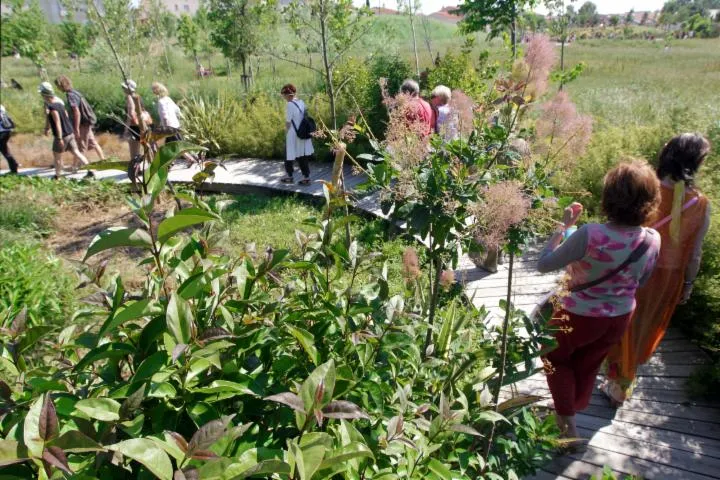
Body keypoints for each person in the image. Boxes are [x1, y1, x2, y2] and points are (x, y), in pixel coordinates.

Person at [537, 160, 662, 447]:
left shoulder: (590, 234)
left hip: (577, 315)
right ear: (650, 201)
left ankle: (567, 423)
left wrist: (562, 227)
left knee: (555, 358)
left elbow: (544, 264)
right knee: (589, 362)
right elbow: (639, 282)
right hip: (619, 317)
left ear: (609, 198)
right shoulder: (652, 240)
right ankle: (573, 405)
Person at [602, 134, 712, 406]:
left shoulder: (647, 187)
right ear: (695, 164)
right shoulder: (700, 204)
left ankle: (618, 381)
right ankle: (622, 382)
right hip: (667, 277)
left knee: (623, 322)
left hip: (635, 263)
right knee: (644, 326)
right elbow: (695, 253)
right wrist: (688, 284)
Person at [39, 82, 92, 180]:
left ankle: (57, 176)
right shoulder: (59, 103)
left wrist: (59, 138)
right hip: (70, 132)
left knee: (57, 157)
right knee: (76, 152)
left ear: (44, 95)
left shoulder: (52, 108)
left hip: (62, 135)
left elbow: (58, 123)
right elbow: (66, 115)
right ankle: (90, 170)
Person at [54, 75, 105, 161]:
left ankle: (78, 166)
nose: (57, 88)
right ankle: (103, 160)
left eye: (57, 86)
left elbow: (77, 112)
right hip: (87, 122)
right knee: (92, 142)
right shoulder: (75, 92)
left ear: (61, 85)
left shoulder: (71, 95)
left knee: (81, 145)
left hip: (82, 123)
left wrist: (76, 128)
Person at [280, 84, 313, 185]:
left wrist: (285, 132)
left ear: (288, 95)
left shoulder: (290, 105)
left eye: (283, 95)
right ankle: (306, 177)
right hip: (302, 132)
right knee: (302, 155)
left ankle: (289, 176)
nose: (283, 97)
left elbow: (288, 122)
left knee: (288, 154)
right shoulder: (301, 102)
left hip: (293, 134)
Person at [122, 79, 150, 161]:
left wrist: (126, 129)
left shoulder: (129, 97)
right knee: (145, 146)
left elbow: (130, 114)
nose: (123, 89)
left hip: (134, 126)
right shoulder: (137, 97)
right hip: (142, 124)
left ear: (128, 89)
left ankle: (135, 170)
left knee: (134, 151)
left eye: (124, 87)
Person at [0, 105, 19, 174]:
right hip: (7, 130)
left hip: (2, 131)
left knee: (4, 150)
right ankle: (14, 165)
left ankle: (14, 166)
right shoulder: (1, 106)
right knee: (5, 150)